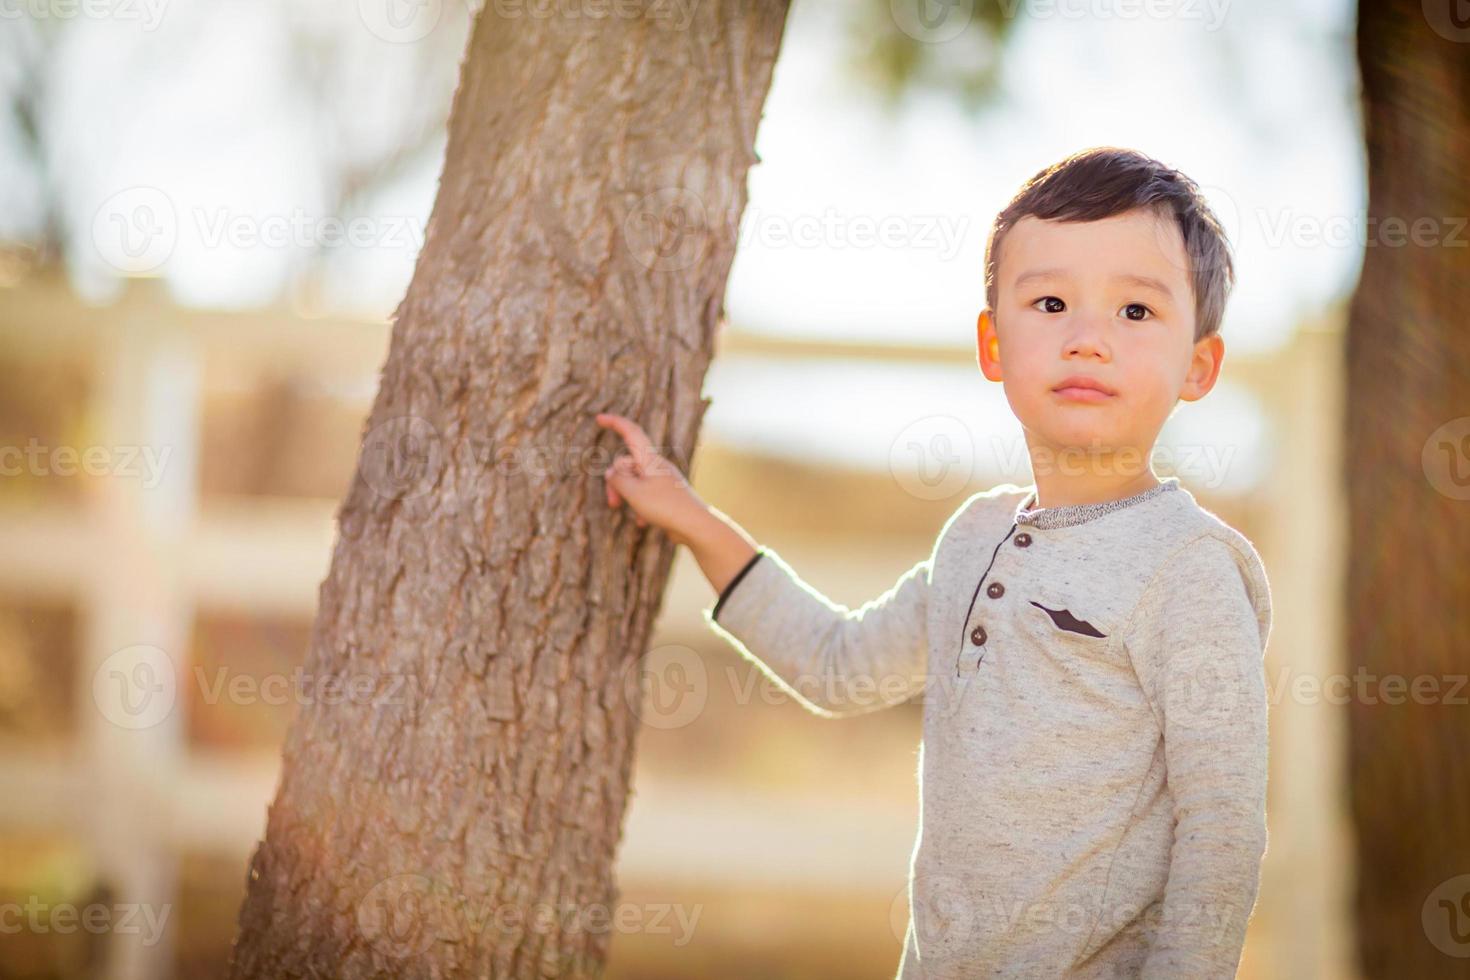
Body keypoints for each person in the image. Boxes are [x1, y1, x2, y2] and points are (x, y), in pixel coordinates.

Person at [594, 145, 1271, 979]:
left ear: (1198, 364)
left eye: (1136, 312)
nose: (1088, 339)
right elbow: (838, 666)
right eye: (1052, 301)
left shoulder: (1190, 569)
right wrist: (691, 518)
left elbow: (1223, 828)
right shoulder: (975, 539)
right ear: (994, 345)